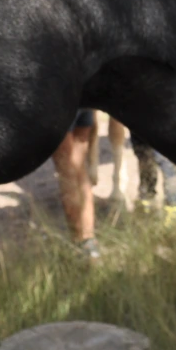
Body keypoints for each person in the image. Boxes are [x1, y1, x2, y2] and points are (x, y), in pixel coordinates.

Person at [53, 108, 102, 259]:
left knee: (67, 170)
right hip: (83, 103)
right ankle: (89, 238)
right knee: (80, 167)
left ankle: (79, 241)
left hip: (61, 104)